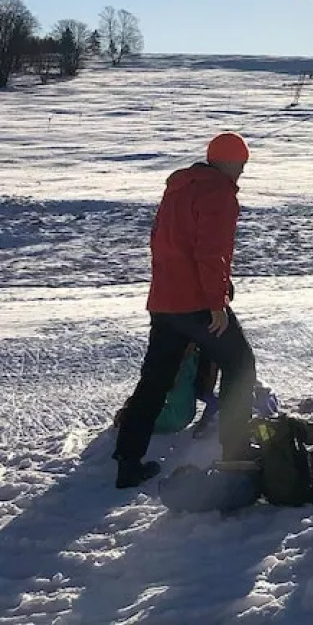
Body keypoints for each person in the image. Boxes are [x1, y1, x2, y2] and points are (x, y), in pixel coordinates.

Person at [113, 132, 258, 489]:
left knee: (156, 379)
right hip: (197, 304)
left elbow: (162, 242)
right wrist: (216, 302)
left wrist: (211, 287)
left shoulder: (178, 188)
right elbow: (211, 252)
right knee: (240, 365)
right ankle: (236, 455)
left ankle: (128, 459)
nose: (242, 171)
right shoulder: (218, 192)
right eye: (241, 163)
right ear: (228, 162)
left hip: (164, 300)